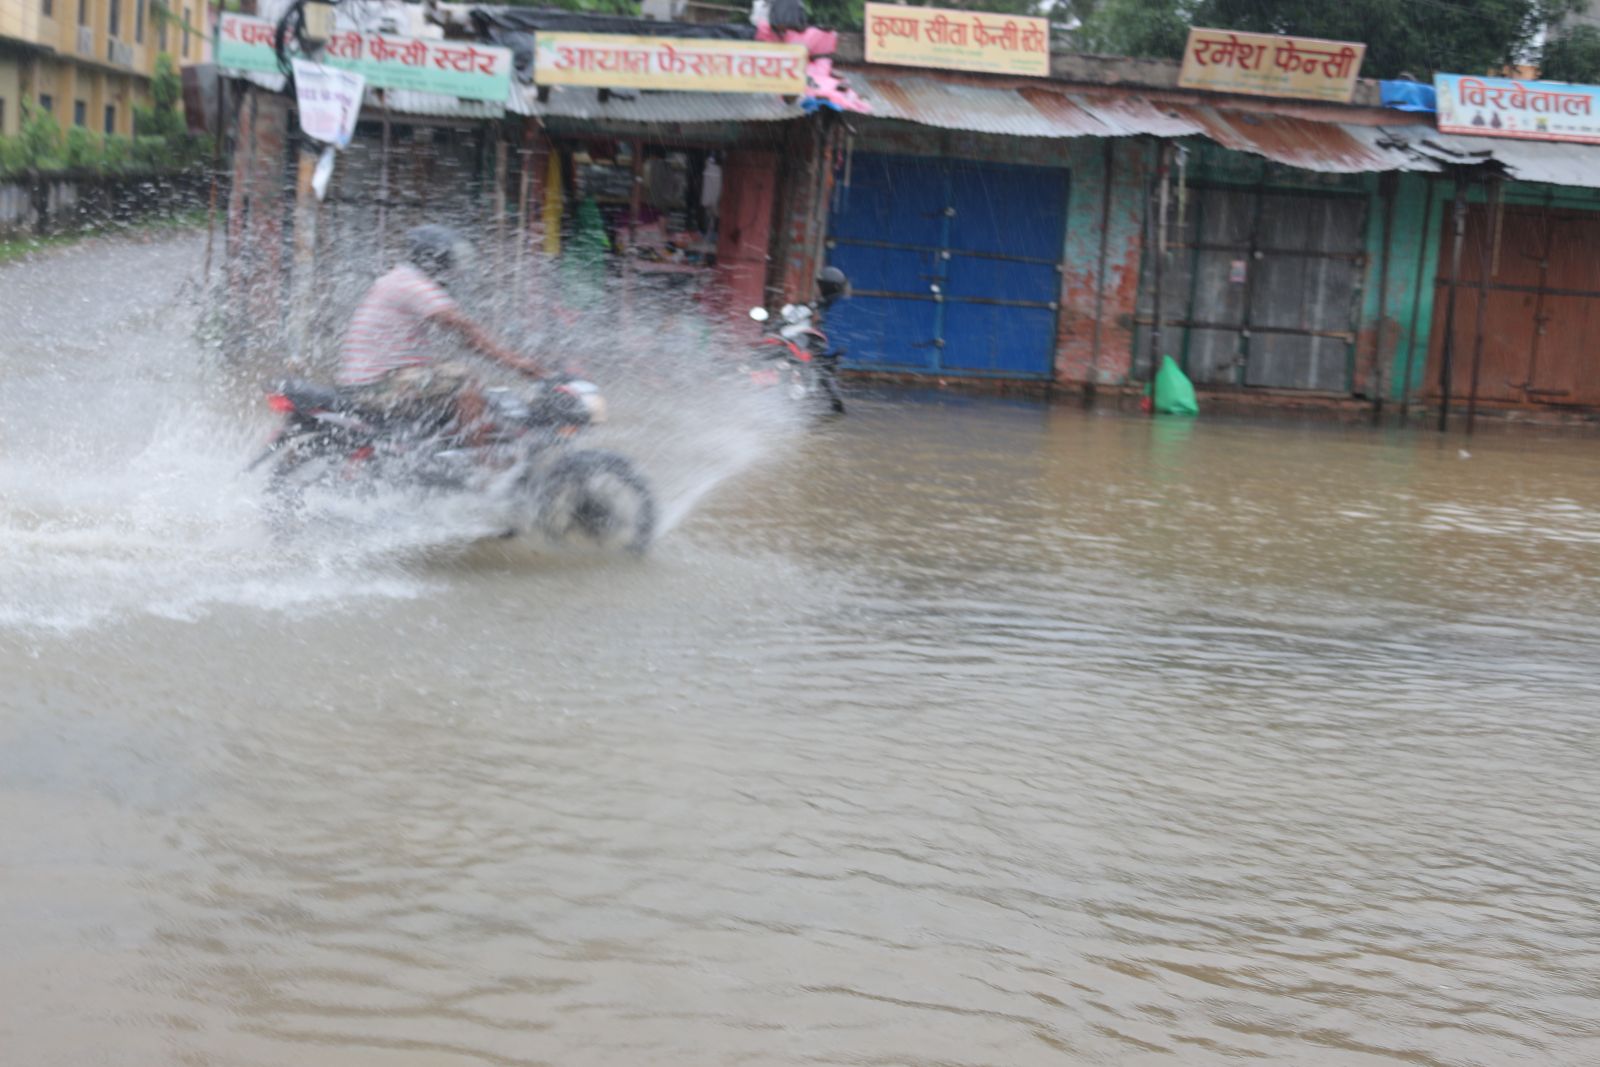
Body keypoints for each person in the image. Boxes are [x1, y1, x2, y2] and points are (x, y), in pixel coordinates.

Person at [337, 224, 546, 427]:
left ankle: (446, 439)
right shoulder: (414, 285)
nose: (456, 270)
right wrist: (520, 364)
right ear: (437, 259)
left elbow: (464, 337)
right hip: (378, 384)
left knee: (444, 374)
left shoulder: (400, 277)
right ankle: (485, 456)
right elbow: (467, 332)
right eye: (453, 261)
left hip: (372, 378)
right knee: (463, 379)